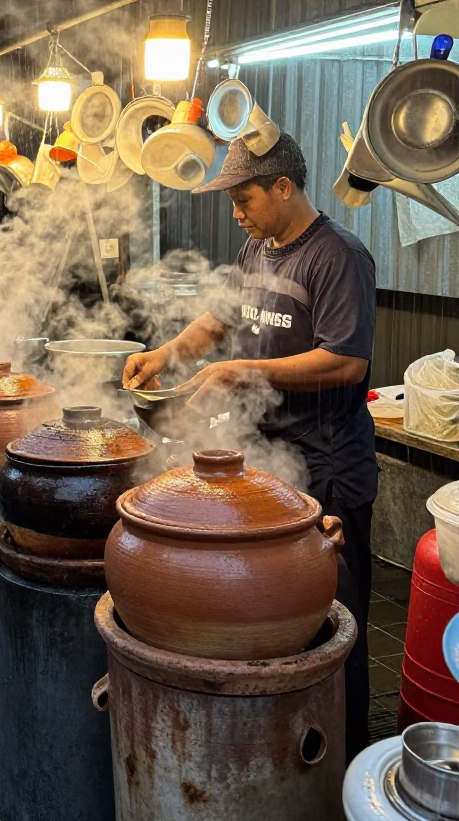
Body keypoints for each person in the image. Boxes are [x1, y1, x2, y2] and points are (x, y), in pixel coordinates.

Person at [122, 131, 377, 762]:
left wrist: (241, 373)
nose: (237, 211)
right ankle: (275, 746)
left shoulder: (338, 257)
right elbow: (218, 321)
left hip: (326, 465)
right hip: (269, 464)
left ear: (283, 187)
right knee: (273, 612)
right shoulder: (256, 249)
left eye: (245, 198)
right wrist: (165, 355)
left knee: (332, 619)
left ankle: (343, 755)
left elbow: (346, 362)